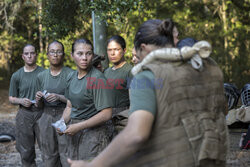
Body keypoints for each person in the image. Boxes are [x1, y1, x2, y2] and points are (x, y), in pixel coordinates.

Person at [68, 18, 228, 167]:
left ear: (143, 48)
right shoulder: (207, 68)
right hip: (211, 157)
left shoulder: (146, 76)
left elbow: (135, 135)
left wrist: (92, 165)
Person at [58, 38, 114, 161]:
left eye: (88, 53)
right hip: (74, 132)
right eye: (80, 53)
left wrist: (79, 126)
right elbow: (69, 105)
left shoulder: (97, 79)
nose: (84, 58)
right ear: (72, 55)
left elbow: (107, 113)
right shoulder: (71, 77)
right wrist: (62, 122)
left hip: (94, 135)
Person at [35, 40, 73, 167]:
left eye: (58, 52)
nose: (55, 55)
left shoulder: (71, 74)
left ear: (63, 54)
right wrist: (39, 99)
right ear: (47, 54)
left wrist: (59, 97)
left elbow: (76, 101)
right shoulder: (41, 76)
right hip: (46, 116)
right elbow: (38, 106)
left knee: (66, 153)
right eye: (52, 52)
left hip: (65, 116)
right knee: (49, 155)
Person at [9, 44, 44, 167]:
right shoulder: (16, 76)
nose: (30, 56)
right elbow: (11, 98)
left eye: (32, 53)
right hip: (24, 114)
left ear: (36, 55)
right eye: (27, 54)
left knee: (48, 149)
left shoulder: (44, 73)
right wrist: (21, 101)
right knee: (26, 152)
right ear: (23, 56)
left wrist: (41, 99)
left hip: (42, 113)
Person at [104, 35, 133, 136]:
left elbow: (134, 100)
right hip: (106, 117)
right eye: (109, 50)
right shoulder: (106, 72)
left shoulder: (130, 70)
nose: (112, 53)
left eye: (116, 49)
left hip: (123, 116)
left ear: (124, 50)